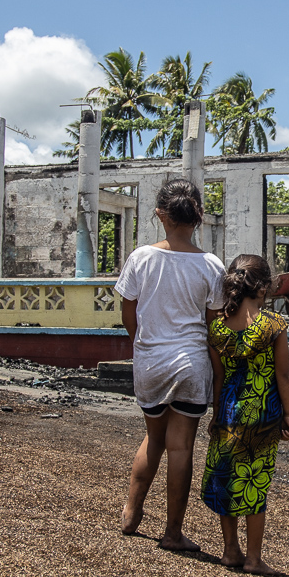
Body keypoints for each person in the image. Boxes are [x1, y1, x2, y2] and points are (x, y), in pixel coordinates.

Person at [116, 179, 226, 551]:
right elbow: (214, 329)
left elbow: (128, 313)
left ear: (160, 215)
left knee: (154, 438)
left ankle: (132, 512)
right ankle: (173, 532)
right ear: (198, 216)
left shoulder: (140, 258)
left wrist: (143, 346)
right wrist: (219, 377)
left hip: (150, 361)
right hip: (192, 364)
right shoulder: (211, 265)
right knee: (181, 448)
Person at [201, 254, 289, 574]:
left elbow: (218, 378)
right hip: (264, 413)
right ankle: (254, 558)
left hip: (229, 411)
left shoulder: (216, 329)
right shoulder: (273, 325)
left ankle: (230, 551)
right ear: (264, 287)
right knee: (256, 484)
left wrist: (215, 415)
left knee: (227, 477)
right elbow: (283, 375)